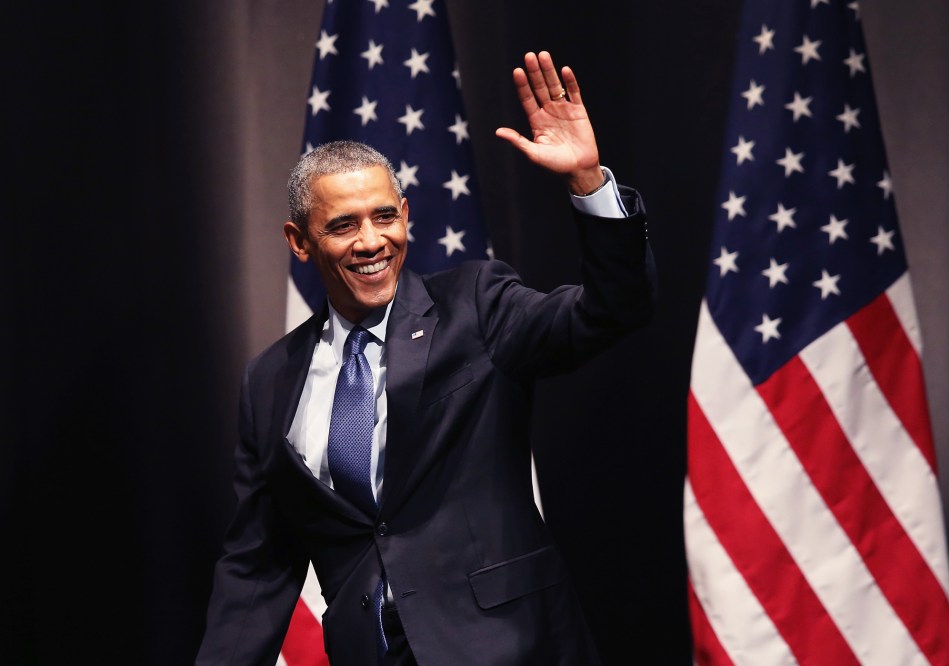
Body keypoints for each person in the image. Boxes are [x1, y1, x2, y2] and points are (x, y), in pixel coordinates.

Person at [196, 51, 655, 666]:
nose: (370, 242)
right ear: (299, 242)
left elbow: (610, 311)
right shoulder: (270, 380)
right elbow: (256, 566)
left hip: (509, 647)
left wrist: (588, 183)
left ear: (406, 217)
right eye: (342, 225)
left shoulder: (477, 303)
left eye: (385, 216)